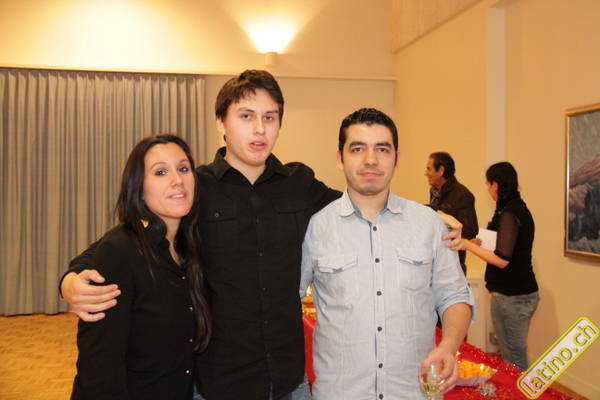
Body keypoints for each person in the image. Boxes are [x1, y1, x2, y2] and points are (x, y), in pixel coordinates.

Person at [60, 71, 463, 400]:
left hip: (288, 381)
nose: (259, 129)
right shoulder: (195, 187)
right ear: (221, 122)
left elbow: (361, 198)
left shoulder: (299, 184)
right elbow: (128, 238)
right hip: (218, 382)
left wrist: (430, 216)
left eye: (270, 118)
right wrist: (72, 278)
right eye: (246, 116)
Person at [300, 108, 473, 399]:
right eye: (358, 149)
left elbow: (454, 296)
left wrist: (449, 345)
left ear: (396, 159)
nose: (371, 160)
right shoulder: (315, 227)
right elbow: (282, 303)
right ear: (340, 158)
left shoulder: (429, 225)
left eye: (382, 149)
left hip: (413, 393)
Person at [71, 134, 211, 399]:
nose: (177, 180)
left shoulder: (189, 246)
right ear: (139, 188)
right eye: (160, 172)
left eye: (183, 169)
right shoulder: (120, 250)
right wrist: (69, 279)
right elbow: (99, 366)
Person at [458, 161, 539, 370]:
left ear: (495, 184)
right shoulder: (509, 209)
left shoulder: (511, 212)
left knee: (514, 358)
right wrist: (479, 243)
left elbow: (502, 259)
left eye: (488, 184)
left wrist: (467, 245)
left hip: (515, 297)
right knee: (508, 354)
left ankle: (521, 389)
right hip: (507, 294)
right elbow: (503, 244)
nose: (488, 189)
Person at [425, 152, 478, 275]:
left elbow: (469, 232)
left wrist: (445, 228)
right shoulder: (434, 192)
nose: (425, 173)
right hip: (435, 261)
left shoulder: (462, 195)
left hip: (453, 265)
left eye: (429, 169)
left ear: (441, 170)